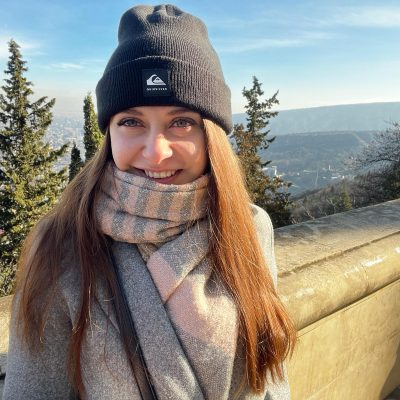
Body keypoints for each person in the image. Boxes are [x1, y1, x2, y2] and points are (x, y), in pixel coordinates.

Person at [3, 4, 296, 399]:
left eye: (181, 122)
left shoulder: (249, 227)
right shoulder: (61, 246)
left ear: (211, 135)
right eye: (131, 121)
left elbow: (270, 376)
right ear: (109, 132)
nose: (155, 153)